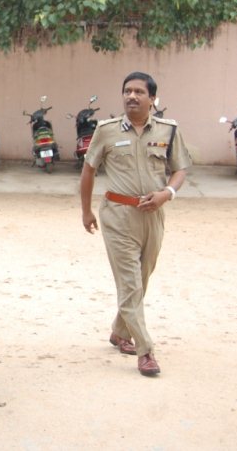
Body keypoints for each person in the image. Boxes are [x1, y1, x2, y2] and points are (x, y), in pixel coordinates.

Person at [80, 71, 191, 377]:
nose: (132, 96)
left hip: (153, 215)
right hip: (117, 215)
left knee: (142, 278)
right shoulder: (106, 130)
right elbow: (89, 170)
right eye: (127, 91)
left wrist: (166, 194)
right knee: (130, 284)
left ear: (152, 98)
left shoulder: (168, 130)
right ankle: (145, 350)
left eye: (139, 92)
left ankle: (119, 331)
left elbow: (180, 169)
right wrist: (86, 211)